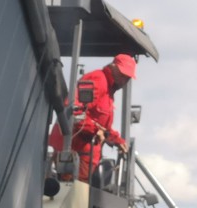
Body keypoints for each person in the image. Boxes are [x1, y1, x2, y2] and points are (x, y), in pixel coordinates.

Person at [49, 54, 136, 182]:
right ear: (113, 67)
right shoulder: (98, 79)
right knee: (71, 193)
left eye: (127, 77)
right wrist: (95, 130)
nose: (124, 80)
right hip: (72, 154)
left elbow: (103, 127)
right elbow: (74, 110)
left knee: (81, 193)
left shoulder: (109, 91)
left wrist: (118, 140)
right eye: (122, 75)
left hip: (83, 158)